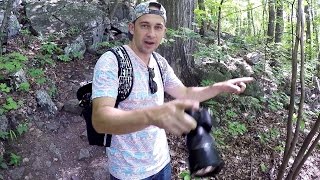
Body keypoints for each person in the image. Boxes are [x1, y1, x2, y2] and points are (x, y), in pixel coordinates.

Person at [91, 1, 254, 180]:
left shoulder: (160, 63)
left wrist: (218, 87)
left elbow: (184, 93)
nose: (151, 34)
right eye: (144, 25)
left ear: (164, 32)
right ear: (132, 27)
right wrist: (152, 115)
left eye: (158, 27)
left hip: (162, 163)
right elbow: (100, 120)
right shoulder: (112, 61)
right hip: (128, 171)